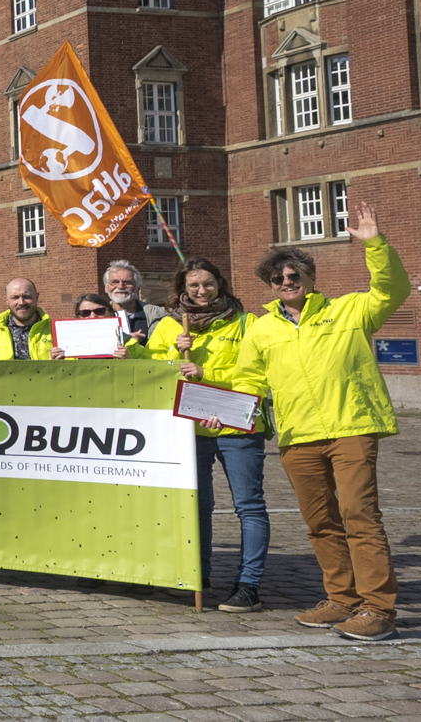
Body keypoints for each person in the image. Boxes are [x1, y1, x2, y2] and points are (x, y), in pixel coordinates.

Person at [231, 200, 409, 641]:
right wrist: (231, 409)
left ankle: (378, 608)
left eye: (294, 275)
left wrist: (375, 246)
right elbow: (247, 378)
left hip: (350, 427)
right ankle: (341, 600)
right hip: (297, 436)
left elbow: (392, 289)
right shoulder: (260, 328)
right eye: (278, 278)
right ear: (270, 286)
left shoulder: (349, 310)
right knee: (320, 522)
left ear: (310, 279)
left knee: (360, 516)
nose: (286, 281)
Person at [147, 257, 269, 613]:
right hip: (190, 428)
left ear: (221, 283)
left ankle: (249, 585)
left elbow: (256, 373)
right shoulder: (169, 326)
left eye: (208, 284)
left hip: (237, 425)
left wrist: (206, 372)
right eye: (194, 286)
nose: (202, 292)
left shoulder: (248, 323)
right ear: (182, 290)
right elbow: (153, 371)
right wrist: (174, 350)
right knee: (197, 506)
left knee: (249, 506)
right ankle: (197, 575)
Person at [0, 277, 54, 360]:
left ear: (37, 297)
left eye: (27, 296)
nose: (21, 302)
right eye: (15, 297)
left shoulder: (55, 331)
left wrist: (59, 362)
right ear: (6, 300)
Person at [103, 259, 170, 343]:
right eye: (114, 282)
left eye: (127, 282)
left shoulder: (160, 315)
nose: (120, 286)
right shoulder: (97, 316)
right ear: (106, 288)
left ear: (138, 288)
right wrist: (126, 339)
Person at [62, 291, 132, 357]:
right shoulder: (65, 346)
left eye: (99, 311)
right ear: (78, 317)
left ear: (111, 313)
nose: (93, 316)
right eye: (85, 313)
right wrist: (55, 362)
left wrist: (129, 360)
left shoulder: (130, 344)